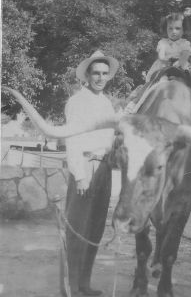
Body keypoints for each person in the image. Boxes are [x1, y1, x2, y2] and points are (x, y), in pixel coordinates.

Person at [62, 50, 119, 297]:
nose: (100, 77)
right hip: (85, 165)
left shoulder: (107, 102)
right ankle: (72, 288)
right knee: (78, 227)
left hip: (105, 168)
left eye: (104, 73)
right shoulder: (77, 102)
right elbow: (72, 139)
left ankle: (84, 284)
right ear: (87, 75)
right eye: (96, 73)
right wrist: (80, 174)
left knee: (95, 229)